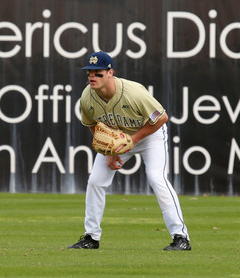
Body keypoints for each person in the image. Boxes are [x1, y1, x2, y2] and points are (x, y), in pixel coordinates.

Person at [67, 51, 191, 251]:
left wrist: (132, 140)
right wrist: (110, 152)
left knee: (156, 178)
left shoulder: (133, 93)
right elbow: (93, 125)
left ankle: (181, 237)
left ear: (110, 73)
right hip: (117, 139)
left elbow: (161, 118)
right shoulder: (87, 97)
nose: (92, 76)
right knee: (95, 181)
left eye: (98, 73)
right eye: (89, 72)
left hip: (149, 134)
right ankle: (91, 237)